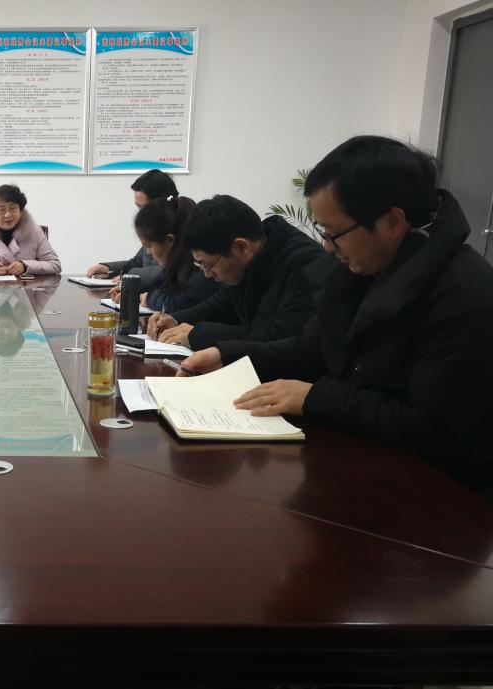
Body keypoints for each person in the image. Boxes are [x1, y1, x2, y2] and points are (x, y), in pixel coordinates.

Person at [182, 136, 493, 495]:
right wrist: (227, 354)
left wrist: (314, 397)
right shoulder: (362, 268)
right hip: (358, 467)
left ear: (392, 222)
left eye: (334, 233)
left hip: (434, 498)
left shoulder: (466, 295)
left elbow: (428, 427)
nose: (327, 247)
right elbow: (313, 348)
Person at [150, 194, 326, 349]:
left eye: (208, 266)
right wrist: (176, 319)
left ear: (241, 247)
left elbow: (280, 340)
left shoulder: (305, 264)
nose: (207, 274)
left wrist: (198, 334)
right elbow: (218, 305)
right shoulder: (249, 257)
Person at [86, 169, 179, 286]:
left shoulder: (181, 229)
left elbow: (170, 270)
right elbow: (137, 262)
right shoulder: (152, 229)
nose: (141, 213)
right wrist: (108, 268)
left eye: (143, 207)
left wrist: (130, 276)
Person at [133, 196, 217, 314]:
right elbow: (154, 288)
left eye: (149, 246)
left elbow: (177, 303)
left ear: (169, 240)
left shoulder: (202, 266)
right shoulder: (174, 264)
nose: (147, 252)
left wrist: (149, 298)